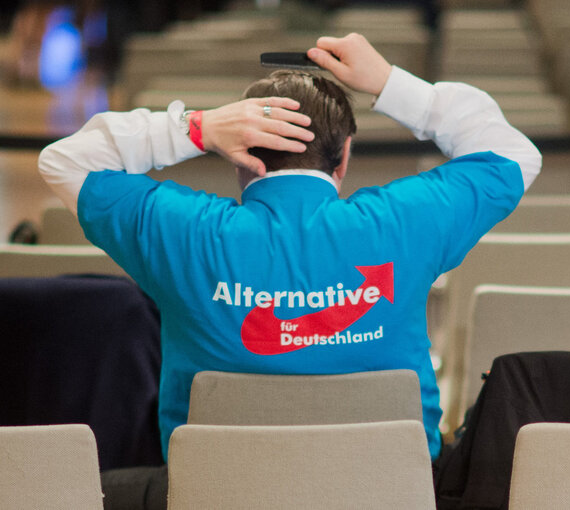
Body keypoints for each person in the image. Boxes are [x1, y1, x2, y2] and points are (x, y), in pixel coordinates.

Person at [38, 32, 540, 475]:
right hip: (389, 491)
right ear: (344, 155)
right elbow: (516, 155)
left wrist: (199, 128)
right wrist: (389, 82)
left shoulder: (182, 232)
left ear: (240, 157)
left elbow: (64, 161)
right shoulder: (408, 220)